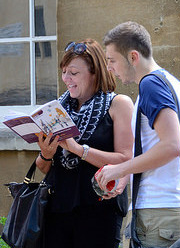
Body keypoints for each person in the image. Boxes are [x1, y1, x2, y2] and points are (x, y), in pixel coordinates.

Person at [96, 21, 180, 247]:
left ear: (133, 57)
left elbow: (173, 145)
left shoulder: (150, 85)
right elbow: (161, 145)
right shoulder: (172, 83)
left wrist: (120, 168)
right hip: (172, 212)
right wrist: (125, 177)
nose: (109, 68)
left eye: (112, 60)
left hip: (160, 214)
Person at [35, 38, 134, 247]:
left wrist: (79, 150)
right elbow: (44, 168)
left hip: (99, 211)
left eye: (74, 73)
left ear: (95, 72)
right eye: (64, 72)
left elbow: (126, 160)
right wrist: (46, 153)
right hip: (57, 210)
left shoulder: (118, 104)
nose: (66, 79)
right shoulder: (58, 109)